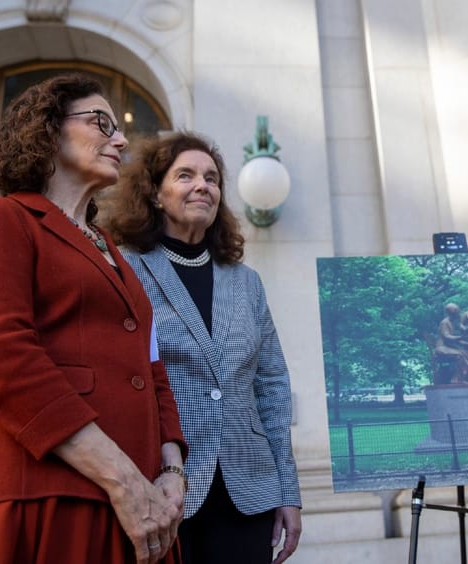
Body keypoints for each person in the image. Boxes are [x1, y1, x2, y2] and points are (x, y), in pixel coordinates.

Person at [0, 74, 187, 564]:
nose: (121, 140)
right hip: (40, 492)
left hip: (140, 503)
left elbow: (153, 370)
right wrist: (122, 479)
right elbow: (1, 357)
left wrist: (171, 471)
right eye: (101, 123)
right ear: (48, 129)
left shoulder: (116, 253)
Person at [105, 131, 302, 564]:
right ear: (155, 194)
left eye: (212, 178)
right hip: (161, 489)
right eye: (186, 175)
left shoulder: (246, 281)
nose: (203, 186)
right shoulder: (123, 268)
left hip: (249, 491)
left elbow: (271, 386)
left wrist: (287, 490)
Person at [434, 303, 468, 383]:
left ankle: (467, 376)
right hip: (442, 348)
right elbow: (447, 337)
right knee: (460, 355)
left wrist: (466, 343)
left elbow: (455, 340)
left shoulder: (452, 322)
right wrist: (461, 337)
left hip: (448, 347)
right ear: (453, 313)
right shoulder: (445, 322)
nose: (459, 314)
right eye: (458, 312)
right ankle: (457, 379)